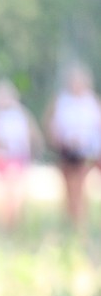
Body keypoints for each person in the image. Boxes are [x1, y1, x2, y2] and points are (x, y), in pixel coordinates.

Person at [43, 63, 101, 229]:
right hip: (66, 150)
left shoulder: (92, 102)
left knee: (80, 188)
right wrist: (57, 138)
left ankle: (80, 225)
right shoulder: (61, 101)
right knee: (68, 190)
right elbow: (50, 124)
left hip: (86, 151)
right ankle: (69, 223)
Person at [0, 79, 43, 231]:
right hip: (0, 159)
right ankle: (5, 228)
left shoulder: (22, 114)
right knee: (2, 197)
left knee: (17, 196)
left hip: (17, 158)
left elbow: (34, 136)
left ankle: (16, 228)